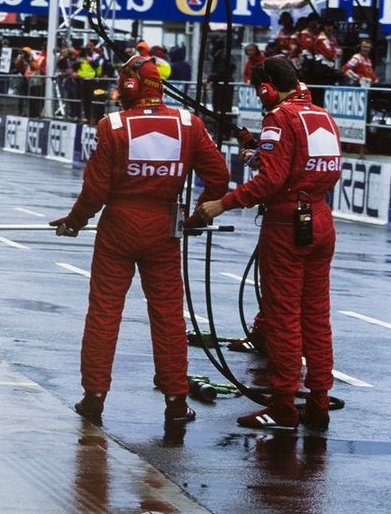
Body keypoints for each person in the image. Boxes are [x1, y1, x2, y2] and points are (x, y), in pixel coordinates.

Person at [50, 55, 230, 426]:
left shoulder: (113, 125)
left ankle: (94, 397)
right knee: (168, 316)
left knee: (104, 312)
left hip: (119, 225)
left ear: (132, 86)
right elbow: (218, 176)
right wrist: (194, 217)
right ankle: (177, 401)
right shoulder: (189, 124)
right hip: (165, 225)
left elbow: (96, 189)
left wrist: (75, 221)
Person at [197, 58, 341, 431]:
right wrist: (259, 149)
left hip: (286, 226)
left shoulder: (278, 118)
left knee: (283, 319)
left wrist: (222, 203)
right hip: (321, 220)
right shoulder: (321, 115)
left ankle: (281, 408)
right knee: (316, 317)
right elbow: (307, 164)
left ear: (267, 88)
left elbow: (271, 181)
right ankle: (319, 402)